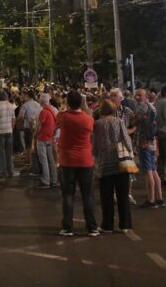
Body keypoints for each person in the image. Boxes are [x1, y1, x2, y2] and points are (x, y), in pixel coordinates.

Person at [57, 91, 99, 237]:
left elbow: (57, 123)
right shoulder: (88, 119)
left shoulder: (62, 116)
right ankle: (92, 226)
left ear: (68, 102)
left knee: (68, 195)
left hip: (67, 160)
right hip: (85, 160)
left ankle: (68, 227)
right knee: (87, 195)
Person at [93, 99, 135, 234]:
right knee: (123, 194)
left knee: (106, 196)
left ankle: (107, 225)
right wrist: (131, 154)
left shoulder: (97, 124)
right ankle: (125, 225)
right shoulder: (119, 122)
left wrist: (95, 157)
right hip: (120, 161)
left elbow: (95, 145)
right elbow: (126, 140)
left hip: (105, 163)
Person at [133, 88, 163, 208]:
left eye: (139, 95)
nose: (137, 97)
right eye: (136, 95)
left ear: (146, 96)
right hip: (152, 141)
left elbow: (135, 122)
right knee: (154, 170)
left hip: (144, 141)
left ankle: (151, 200)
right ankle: (159, 198)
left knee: (148, 172)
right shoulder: (153, 107)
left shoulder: (142, 108)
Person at [0, 90, 18, 178]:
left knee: (1, 152)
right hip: (9, 131)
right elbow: (14, 119)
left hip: (0, 132)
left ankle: (3, 171)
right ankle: (11, 171)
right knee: (9, 152)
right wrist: (11, 128)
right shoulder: (11, 105)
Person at [34, 93, 58, 188]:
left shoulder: (43, 111)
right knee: (51, 160)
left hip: (42, 138)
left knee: (43, 160)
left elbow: (39, 126)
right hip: (50, 137)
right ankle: (53, 179)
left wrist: (35, 134)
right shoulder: (51, 110)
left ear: (42, 101)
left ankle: (46, 181)